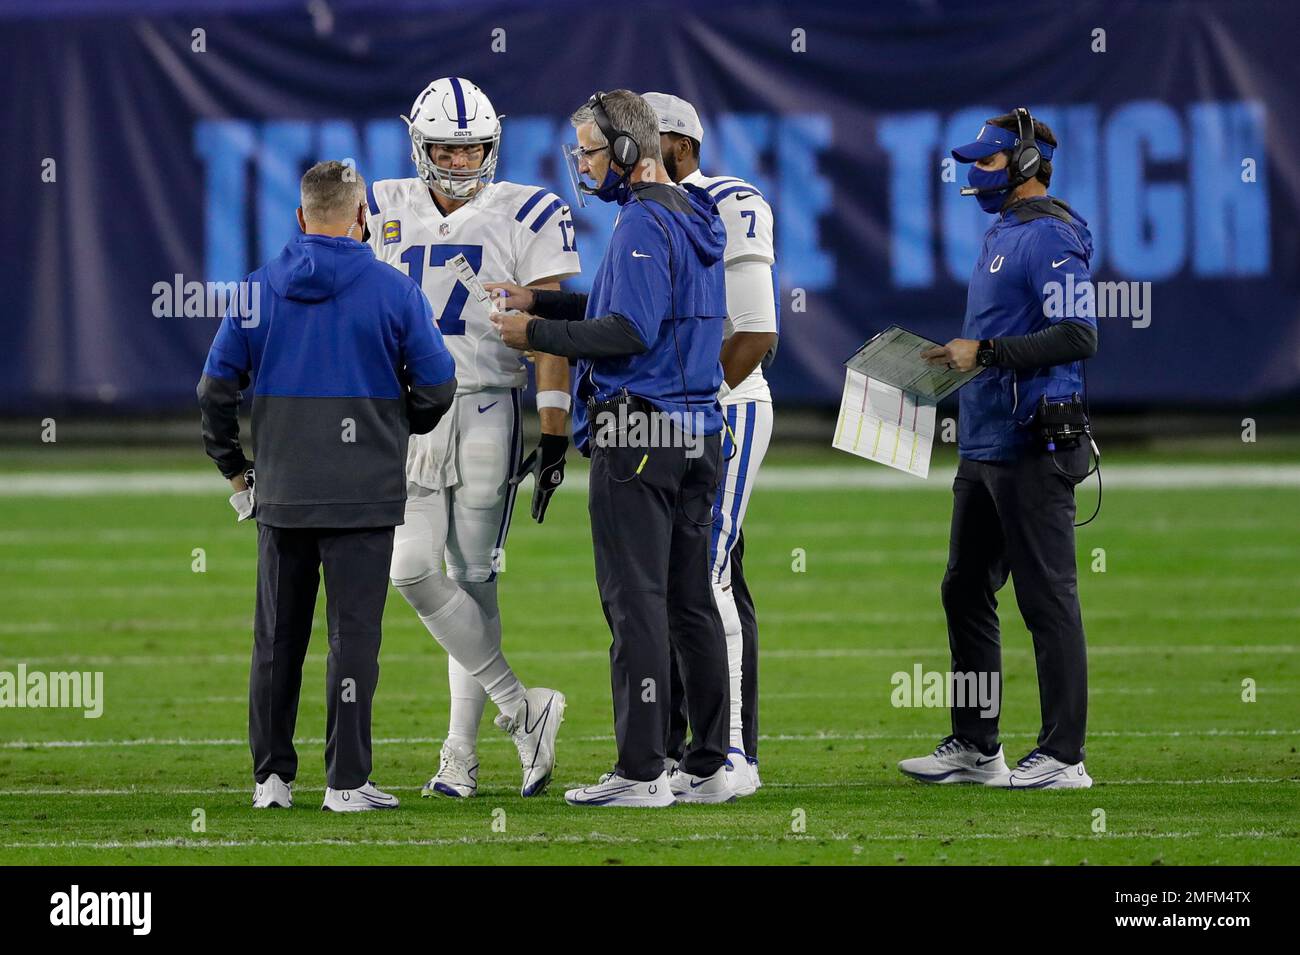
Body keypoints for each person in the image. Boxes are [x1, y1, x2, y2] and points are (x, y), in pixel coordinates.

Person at [487, 90, 732, 808]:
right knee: (689, 603)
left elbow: (628, 329)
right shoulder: (695, 212)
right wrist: (545, 303)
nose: (582, 164)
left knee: (636, 606)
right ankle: (707, 762)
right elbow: (628, 304)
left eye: (591, 150)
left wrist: (533, 335)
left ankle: (641, 769)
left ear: (629, 151)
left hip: (641, 433)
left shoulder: (639, 223)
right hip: (697, 432)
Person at [197, 160, 456, 812]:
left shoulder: (258, 289)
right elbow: (438, 385)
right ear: (362, 216)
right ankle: (346, 781)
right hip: (363, 491)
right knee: (353, 639)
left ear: (300, 216)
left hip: (282, 491)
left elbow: (213, 389)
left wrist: (236, 466)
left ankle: (272, 780)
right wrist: (395, 423)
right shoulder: (394, 291)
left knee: (277, 640)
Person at [365, 77, 580, 798]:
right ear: (419, 145)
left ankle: (459, 753)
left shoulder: (530, 208)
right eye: (447, 149)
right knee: (411, 567)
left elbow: (553, 327)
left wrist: (554, 426)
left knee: (474, 575)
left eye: (473, 148)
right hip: (412, 414)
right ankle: (524, 709)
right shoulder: (381, 205)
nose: (460, 163)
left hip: (490, 401)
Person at [900, 108, 1098, 789]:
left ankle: (1064, 755)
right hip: (985, 441)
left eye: (985, 162)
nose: (973, 172)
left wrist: (982, 350)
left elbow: (1079, 334)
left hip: (1033, 441)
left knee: (1047, 597)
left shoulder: (1050, 235)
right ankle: (978, 745)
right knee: (964, 588)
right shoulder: (1004, 231)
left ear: (1021, 164)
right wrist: (948, 363)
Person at [644, 92, 779, 798]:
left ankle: (726, 754)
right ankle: (689, 744)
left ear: (682, 144)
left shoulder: (722, 199)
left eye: (644, 136)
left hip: (724, 408)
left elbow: (756, 335)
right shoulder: (648, 209)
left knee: (705, 574)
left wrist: (691, 402)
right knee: (688, 575)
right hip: (682, 416)